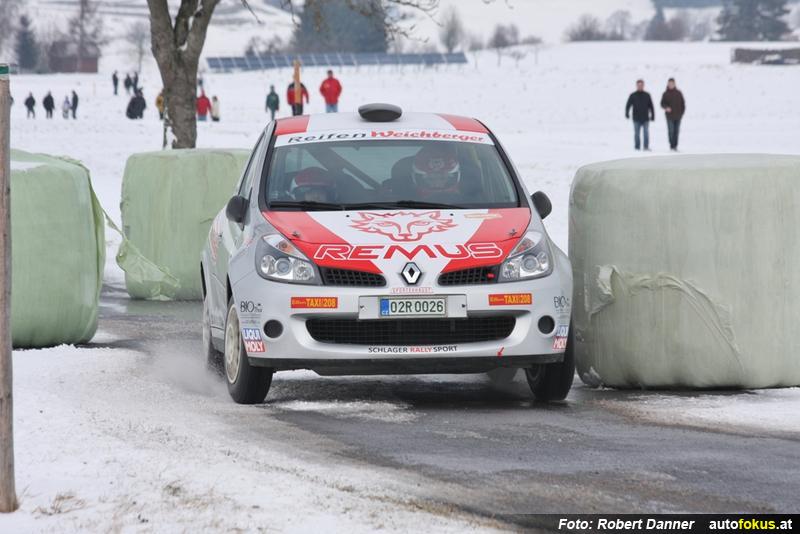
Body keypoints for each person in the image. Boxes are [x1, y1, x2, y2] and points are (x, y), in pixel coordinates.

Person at [625, 79, 655, 151]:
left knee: (646, 133)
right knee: (637, 134)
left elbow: (651, 106)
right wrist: (627, 113)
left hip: (645, 118)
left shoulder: (647, 95)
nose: (640, 86)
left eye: (641, 85)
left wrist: (653, 115)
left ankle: (646, 147)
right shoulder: (633, 95)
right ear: (636, 86)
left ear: (643, 85)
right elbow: (628, 105)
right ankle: (637, 147)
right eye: (638, 85)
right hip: (636, 118)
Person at [661, 78, 686, 152]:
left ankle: (675, 146)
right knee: (671, 131)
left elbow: (683, 104)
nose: (671, 85)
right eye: (669, 83)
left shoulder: (679, 93)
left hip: (678, 116)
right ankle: (671, 146)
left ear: (674, 84)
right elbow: (662, 103)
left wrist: (681, 113)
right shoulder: (665, 94)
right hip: (669, 116)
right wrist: (666, 107)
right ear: (668, 84)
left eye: (672, 83)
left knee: (676, 131)